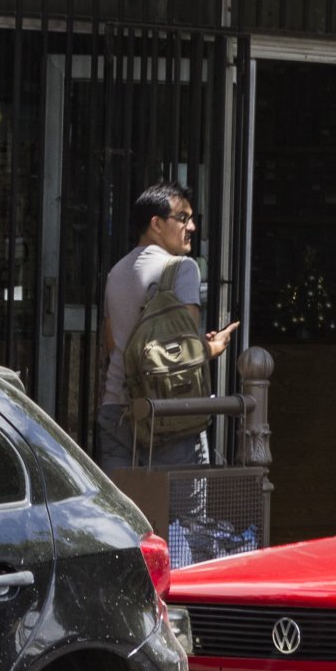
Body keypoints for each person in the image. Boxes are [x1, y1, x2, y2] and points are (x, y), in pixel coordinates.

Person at [97, 182, 240, 472]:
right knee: (181, 516)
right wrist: (212, 347)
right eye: (183, 218)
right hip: (169, 413)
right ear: (156, 224)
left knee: (126, 511)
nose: (192, 227)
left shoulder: (116, 272)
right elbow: (183, 355)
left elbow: (112, 344)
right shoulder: (182, 268)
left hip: (117, 409)